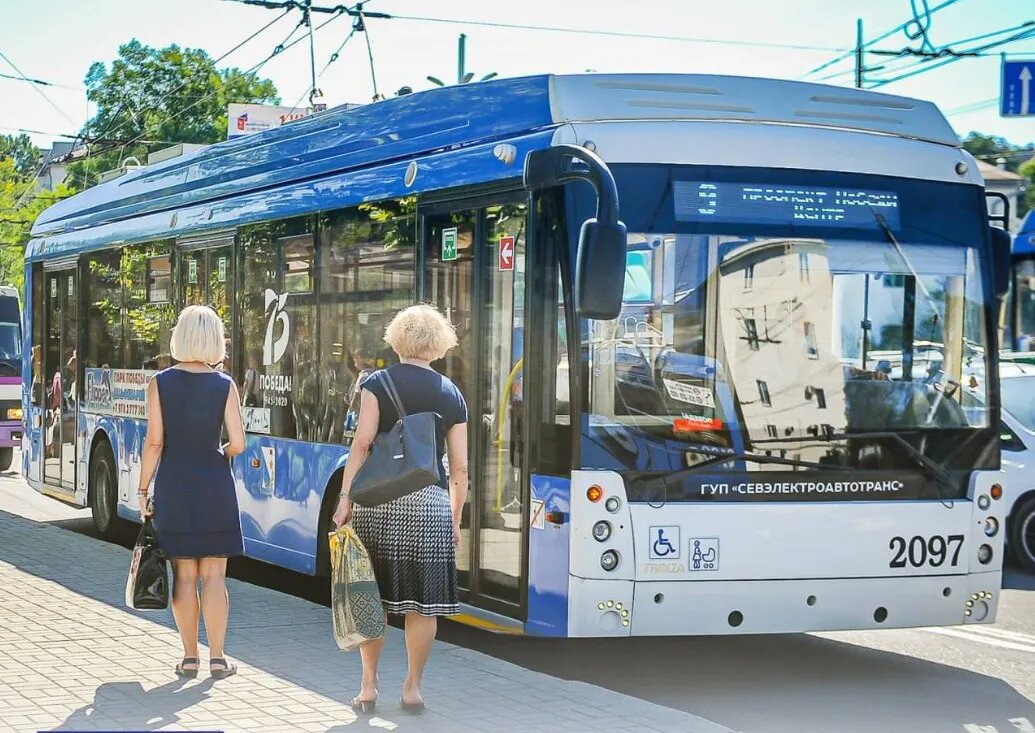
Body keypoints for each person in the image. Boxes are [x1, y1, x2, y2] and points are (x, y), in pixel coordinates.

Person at [332, 304, 469, 715]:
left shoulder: (377, 382)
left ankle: (369, 687)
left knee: (370, 596)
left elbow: (362, 444)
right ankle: (412, 688)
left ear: (397, 338)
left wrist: (345, 500)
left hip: (378, 501)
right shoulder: (451, 392)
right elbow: (459, 466)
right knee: (421, 604)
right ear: (439, 343)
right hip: (430, 505)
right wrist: (455, 518)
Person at [137, 305, 246, 680]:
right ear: (215, 339)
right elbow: (239, 443)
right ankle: (217, 659)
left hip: (175, 486)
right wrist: (219, 455)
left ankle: (188, 659)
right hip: (216, 486)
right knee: (215, 576)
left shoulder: (160, 383)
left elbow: (154, 443)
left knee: (184, 576)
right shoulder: (224, 384)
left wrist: (142, 488)